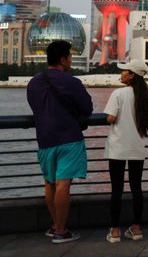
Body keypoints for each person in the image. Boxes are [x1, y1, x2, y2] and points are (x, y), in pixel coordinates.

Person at [26, 40, 93, 244]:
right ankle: (61, 232)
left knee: (49, 182)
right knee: (63, 184)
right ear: (63, 59)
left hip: (45, 140)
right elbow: (87, 108)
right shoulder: (71, 82)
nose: (71, 60)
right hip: (69, 138)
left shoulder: (33, 83)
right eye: (70, 57)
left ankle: (56, 226)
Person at [103, 59, 148, 243]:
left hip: (118, 147)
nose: (122, 73)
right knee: (136, 188)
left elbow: (110, 117)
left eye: (125, 70)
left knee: (116, 189)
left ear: (132, 75)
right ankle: (136, 229)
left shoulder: (119, 93)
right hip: (137, 147)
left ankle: (115, 231)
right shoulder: (145, 97)